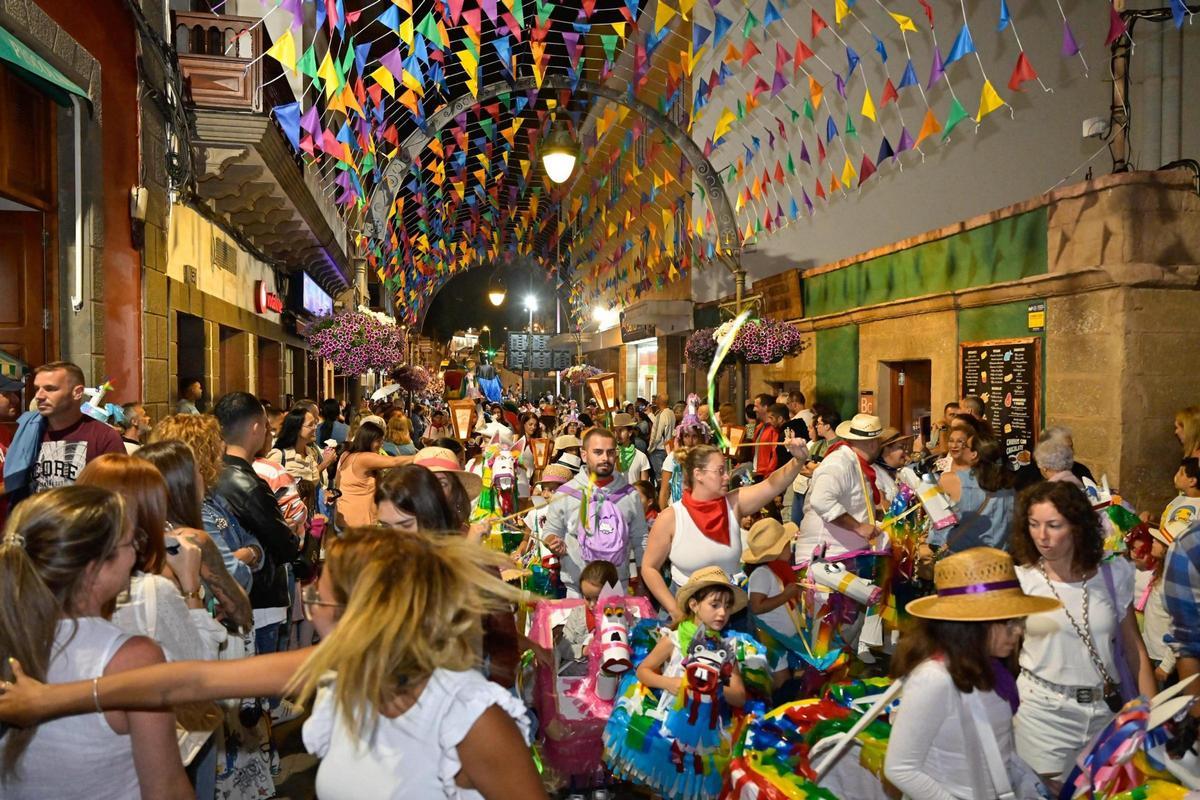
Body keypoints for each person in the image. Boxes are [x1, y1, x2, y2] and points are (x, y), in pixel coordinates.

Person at [0, 528, 547, 800]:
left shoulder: (470, 717)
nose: (309, 607)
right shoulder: (343, 665)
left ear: (364, 614)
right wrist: (51, 699)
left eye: (318, 599)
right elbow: (190, 680)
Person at [0, 485, 193, 798]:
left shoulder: (11, 635)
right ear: (94, 569)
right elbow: (166, 789)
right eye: (130, 543)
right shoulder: (131, 659)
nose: (135, 554)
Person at [1009, 481, 1156, 781]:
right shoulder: (1020, 582)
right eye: (1034, 524)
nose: (1041, 535)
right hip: (1042, 715)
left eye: (1053, 525)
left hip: (1107, 712)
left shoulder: (1114, 575)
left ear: (1077, 527)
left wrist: (1152, 716)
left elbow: (1134, 649)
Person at [885, 548, 1057, 800]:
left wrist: (1030, 780)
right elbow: (900, 768)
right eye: (1009, 623)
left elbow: (995, 749)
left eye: (1020, 621)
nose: (1019, 631)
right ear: (973, 626)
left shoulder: (989, 668)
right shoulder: (933, 678)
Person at [641, 437, 809, 619]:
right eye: (720, 471)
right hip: (686, 609)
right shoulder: (671, 517)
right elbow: (649, 568)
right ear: (698, 474)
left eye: (726, 470)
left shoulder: (734, 503)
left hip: (730, 608)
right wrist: (675, 610)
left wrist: (798, 460)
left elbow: (772, 484)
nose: (727, 476)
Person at [618, 567, 747, 797]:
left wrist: (715, 687)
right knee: (666, 785)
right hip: (669, 727)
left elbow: (739, 695)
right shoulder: (675, 639)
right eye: (714, 604)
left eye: (727, 606)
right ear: (694, 605)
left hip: (706, 733)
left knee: (693, 789)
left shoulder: (726, 649)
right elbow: (643, 671)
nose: (722, 612)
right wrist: (668, 682)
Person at [212, 392, 302, 656]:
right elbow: (284, 544)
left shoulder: (210, 471)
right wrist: (291, 533)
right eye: (266, 426)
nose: (267, 433)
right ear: (255, 428)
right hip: (259, 597)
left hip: (228, 594)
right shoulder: (247, 483)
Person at [542, 428, 648, 596]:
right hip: (577, 590)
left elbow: (641, 541)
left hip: (617, 590)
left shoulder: (630, 495)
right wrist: (552, 542)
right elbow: (550, 531)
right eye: (598, 452)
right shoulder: (566, 493)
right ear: (584, 455)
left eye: (610, 452)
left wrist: (643, 585)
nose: (605, 458)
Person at [3, 362, 125, 506]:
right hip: (34, 518)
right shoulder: (27, 432)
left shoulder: (104, 437)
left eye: (50, 389)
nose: (39, 396)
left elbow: (119, 495)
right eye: (37, 389)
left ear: (77, 392)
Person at [795, 413, 888, 566]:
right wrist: (859, 527)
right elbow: (821, 501)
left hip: (839, 558)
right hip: (825, 560)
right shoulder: (839, 462)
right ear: (873, 444)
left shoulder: (853, 463)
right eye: (880, 443)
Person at [931, 434, 1016, 553]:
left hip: (963, 559)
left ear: (974, 454)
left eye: (965, 446)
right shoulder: (1009, 486)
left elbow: (940, 528)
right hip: (999, 559)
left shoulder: (951, 480)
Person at [743, 518, 803, 687]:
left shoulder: (776, 570)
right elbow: (756, 606)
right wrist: (786, 595)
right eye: (786, 543)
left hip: (784, 638)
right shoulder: (762, 573)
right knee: (782, 684)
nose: (790, 546)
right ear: (777, 550)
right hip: (772, 640)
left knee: (794, 680)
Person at [335, 421, 412, 528]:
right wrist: (422, 456)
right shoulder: (364, 458)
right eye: (378, 441)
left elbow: (337, 484)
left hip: (344, 518)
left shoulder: (346, 454)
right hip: (358, 523)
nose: (381, 444)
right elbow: (395, 461)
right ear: (368, 440)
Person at [551, 559, 620, 675]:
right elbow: (563, 646)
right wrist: (583, 650)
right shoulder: (578, 614)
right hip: (574, 676)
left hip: (608, 677)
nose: (592, 605)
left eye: (598, 598)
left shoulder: (619, 617)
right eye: (587, 598)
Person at [268, 407, 337, 515]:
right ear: (297, 428)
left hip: (309, 516)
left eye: (315, 424)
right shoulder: (279, 455)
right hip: (288, 518)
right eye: (310, 425)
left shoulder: (310, 453)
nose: (315, 428)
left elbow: (313, 483)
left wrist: (324, 492)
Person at [789, 406, 841, 527]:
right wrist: (814, 466)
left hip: (827, 493)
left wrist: (813, 466)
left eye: (819, 424)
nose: (816, 426)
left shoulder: (840, 446)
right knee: (796, 525)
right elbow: (802, 466)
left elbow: (828, 470)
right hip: (806, 489)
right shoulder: (817, 444)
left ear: (827, 426)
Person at [611, 413, 651, 485]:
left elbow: (644, 486)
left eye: (620, 430)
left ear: (630, 432)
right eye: (615, 431)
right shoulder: (609, 456)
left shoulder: (641, 456)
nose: (617, 434)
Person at [647, 395, 675, 479]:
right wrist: (650, 414)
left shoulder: (661, 414)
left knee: (660, 478)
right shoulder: (671, 413)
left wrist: (650, 449)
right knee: (667, 475)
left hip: (658, 451)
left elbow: (657, 435)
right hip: (667, 448)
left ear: (659, 401)